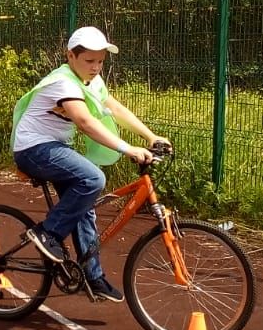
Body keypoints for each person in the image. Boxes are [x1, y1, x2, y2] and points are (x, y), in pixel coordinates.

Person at [11, 26, 171, 303]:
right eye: (89, 61)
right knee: (93, 179)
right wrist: (128, 148)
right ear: (70, 56)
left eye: (100, 61)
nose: (96, 67)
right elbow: (84, 122)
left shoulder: (90, 81)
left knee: (85, 206)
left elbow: (116, 109)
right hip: (33, 148)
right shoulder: (63, 82)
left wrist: (150, 136)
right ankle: (47, 233)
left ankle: (92, 276)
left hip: (57, 148)